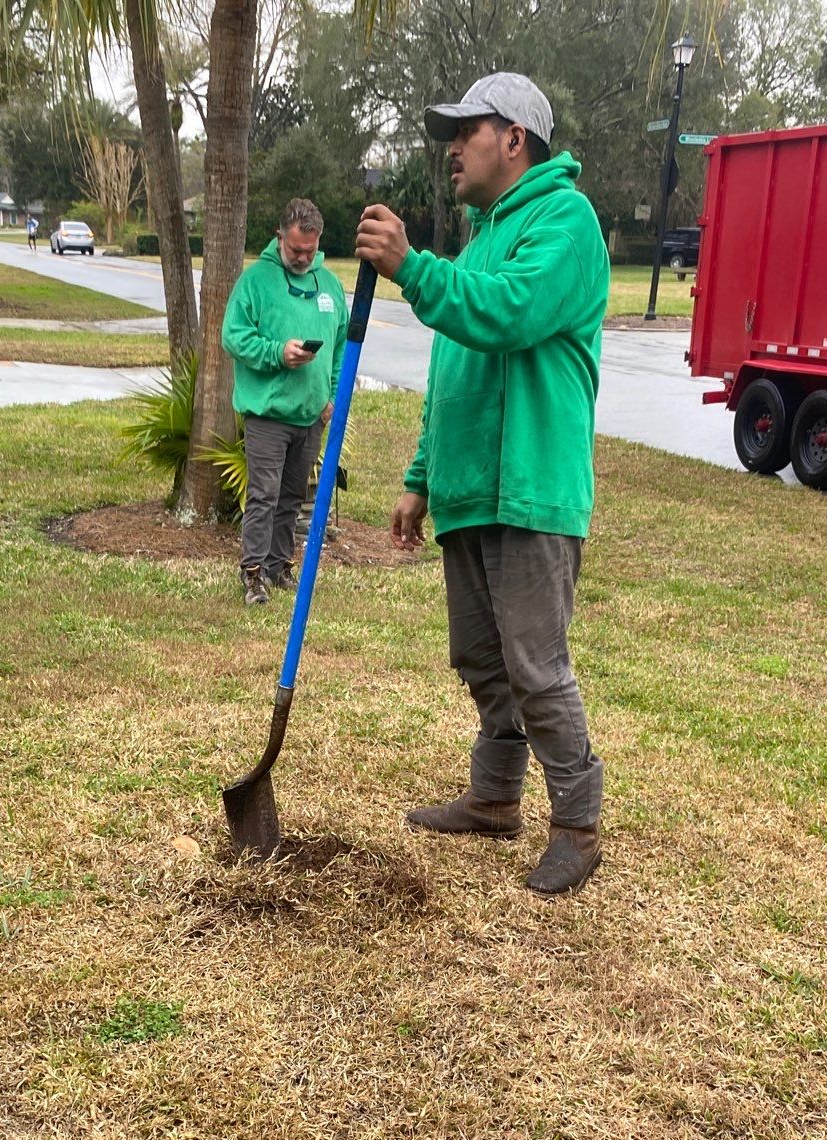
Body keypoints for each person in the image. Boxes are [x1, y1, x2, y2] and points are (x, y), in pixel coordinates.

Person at [356, 75, 610, 895]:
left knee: (536, 664)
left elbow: (507, 312)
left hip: (532, 485)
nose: (452, 146)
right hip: (469, 490)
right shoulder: (481, 239)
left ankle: (576, 823)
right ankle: (496, 797)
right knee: (479, 658)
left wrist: (414, 270)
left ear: (515, 138)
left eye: (466, 130)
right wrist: (420, 478)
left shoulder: (565, 224)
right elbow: (452, 369)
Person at [222, 197, 348, 606]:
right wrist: (278, 353)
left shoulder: (328, 285)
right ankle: (253, 572)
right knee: (264, 494)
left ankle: (279, 566)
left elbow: (341, 345)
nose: (303, 257)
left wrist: (331, 395)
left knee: (294, 495)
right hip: (268, 414)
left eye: (310, 251)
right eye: (295, 250)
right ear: (280, 238)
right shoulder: (256, 282)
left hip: (311, 414)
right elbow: (234, 336)